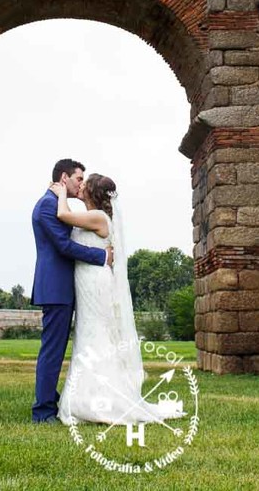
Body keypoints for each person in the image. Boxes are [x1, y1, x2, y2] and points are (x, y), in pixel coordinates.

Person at [50, 173, 186, 426]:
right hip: (86, 279)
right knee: (87, 334)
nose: (80, 186)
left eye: (85, 184)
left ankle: (98, 399)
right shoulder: (93, 216)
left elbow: (63, 216)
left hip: (95, 281)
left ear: (92, 193)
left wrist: (60, 194)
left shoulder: (99, 217)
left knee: (97, 335)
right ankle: (87, 395)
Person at [30, 159, 113, 424]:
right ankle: (42, 412)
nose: (81, 184)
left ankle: (49, 401)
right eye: (78, 179)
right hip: (55, 287)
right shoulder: (47, 205)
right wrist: (101, 256)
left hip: (65, 287)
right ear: (64, 177)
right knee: (52, 351)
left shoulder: (56, 203)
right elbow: (64, 247)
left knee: (56, 348)